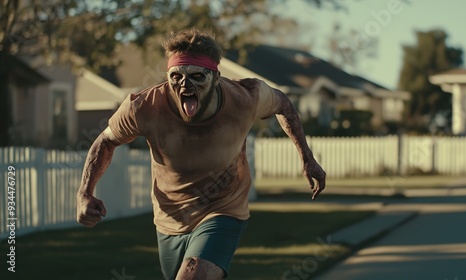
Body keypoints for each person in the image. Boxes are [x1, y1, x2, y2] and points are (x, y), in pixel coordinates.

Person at [76, 28, 326, 280]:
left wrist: (306, 157)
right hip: (169, 220)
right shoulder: (144, 107)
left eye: (197, 76)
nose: (185, 85)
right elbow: (106, 141)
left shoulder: (246, 97)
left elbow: (284, 105)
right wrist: (85, 193)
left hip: (224, 209)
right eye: (176, 77)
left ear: (216, 77)